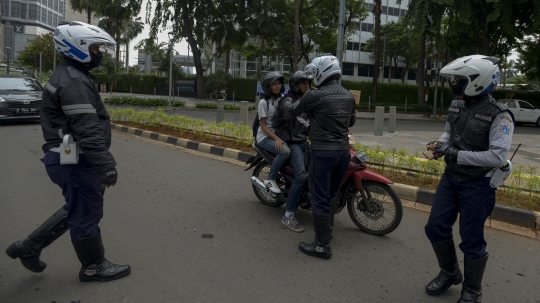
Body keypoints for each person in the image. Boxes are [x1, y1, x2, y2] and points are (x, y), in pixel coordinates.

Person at [5, 21, 130, 282]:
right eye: (96, 48)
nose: (100, 53)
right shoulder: (74, 81)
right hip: (76, 155)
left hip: (67, 152)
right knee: (85, 209)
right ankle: (93, 266)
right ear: (79, 47)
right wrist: (105, 165)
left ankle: (28, 246)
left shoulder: (69, 75)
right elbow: (87, 128)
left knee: (78, 204)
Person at [423, 55, 514, 303]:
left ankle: (473, 290)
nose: (453, 83)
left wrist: (454, 153)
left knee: (471, 238)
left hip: (478, 184)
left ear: (477, 81)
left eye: (458, 79)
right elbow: (447, 133)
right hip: (451, 178)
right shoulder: (457, 104)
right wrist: (439, 145)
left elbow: (496, 156)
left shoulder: (500, 115)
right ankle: (450, 273)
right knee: (435, 227)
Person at [289, 54, 356, 259]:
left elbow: (293, 111)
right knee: (331, 194)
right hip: (343, 153)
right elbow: (351, 123)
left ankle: (321, 246)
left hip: (322, 152)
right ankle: (328, 231)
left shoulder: (314, 95)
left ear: (321, 72)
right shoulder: (348, 95)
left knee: (319, 198)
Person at [274, 71, 313, 232]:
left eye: (308, 83)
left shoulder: (306, 100)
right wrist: (307, 97)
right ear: (295, 85)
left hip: (305, 141)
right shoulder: (287, 100)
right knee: (301, 176)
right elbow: (290, 111)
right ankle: (288, 215)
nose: (307, 85)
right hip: (292, 143)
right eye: (303, 83)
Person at [256, 71, 289, 196]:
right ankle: (270, 179)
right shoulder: (263, 103)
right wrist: (277, 139)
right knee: (284, 151)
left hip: (278, 135)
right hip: (264, 137)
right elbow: (263, 126)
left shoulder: (282, 100)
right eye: (274, 84)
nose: (277, 86)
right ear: (268, 87)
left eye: (279, 83)